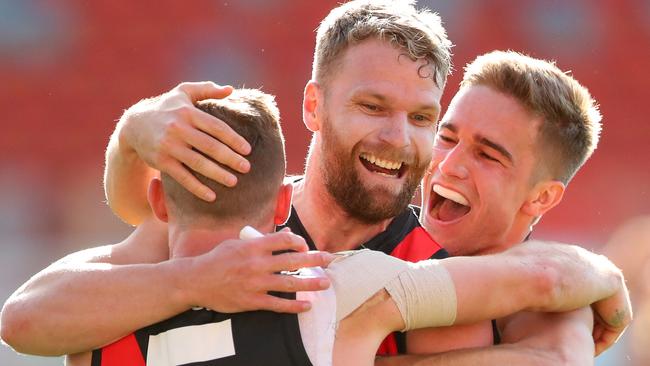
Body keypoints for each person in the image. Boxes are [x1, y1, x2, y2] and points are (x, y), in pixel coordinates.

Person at [0, 0, 632, 364]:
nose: (398, 138)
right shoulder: (230, 209)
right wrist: (195, 281)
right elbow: (27, 318)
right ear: (312, 106)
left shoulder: (440, 283)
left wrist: (592, 272)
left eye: (420, 118)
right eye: (371, 107)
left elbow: (558, 349)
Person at [68, 87, 628, 366]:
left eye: (489, 154)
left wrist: (132, 133)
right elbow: (25, 316)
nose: (451, 164)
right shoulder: (358, 281)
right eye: (451, 137)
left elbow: (27, 317)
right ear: (313, 106)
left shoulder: (172, 241)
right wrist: (604, 272)